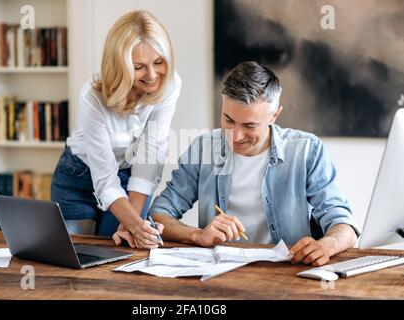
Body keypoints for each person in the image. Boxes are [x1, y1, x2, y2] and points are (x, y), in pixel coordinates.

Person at [150, 61, 359, 266]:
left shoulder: (306, 150)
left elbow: (344, 224)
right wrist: (198, 235)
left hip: (287, 272)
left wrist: (327, 245)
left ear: (274, 116)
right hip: (219, 272)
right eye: (228, 120)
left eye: (250, 125)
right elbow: (159, 214)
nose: (236, 136)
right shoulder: (203, 148)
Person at [51, 10, 181, 249]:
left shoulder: (170, 86)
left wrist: (133, 226)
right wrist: (135, 224)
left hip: (132, 177)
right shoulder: (93, 96)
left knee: (119, 251)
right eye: (138, 66)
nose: (152, 75)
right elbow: (104, 178)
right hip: (77, 177)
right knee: (78, 254)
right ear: (120, 65)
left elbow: (149, 158)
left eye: (159, 62)